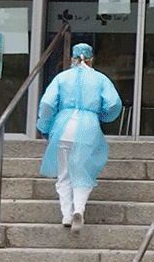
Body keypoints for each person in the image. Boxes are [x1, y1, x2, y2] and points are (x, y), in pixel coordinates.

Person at [36, 42, 122, 234]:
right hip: (88, 127)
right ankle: (79, 209)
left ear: (72, 59)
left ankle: (66, 215)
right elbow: (114, 103)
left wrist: (44, 125)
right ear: (92, 59)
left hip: (63, 127)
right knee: (84, 171)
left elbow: (47, 103)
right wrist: (102, 116)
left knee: (64, 173)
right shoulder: (100, 78)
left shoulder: (62, 77)